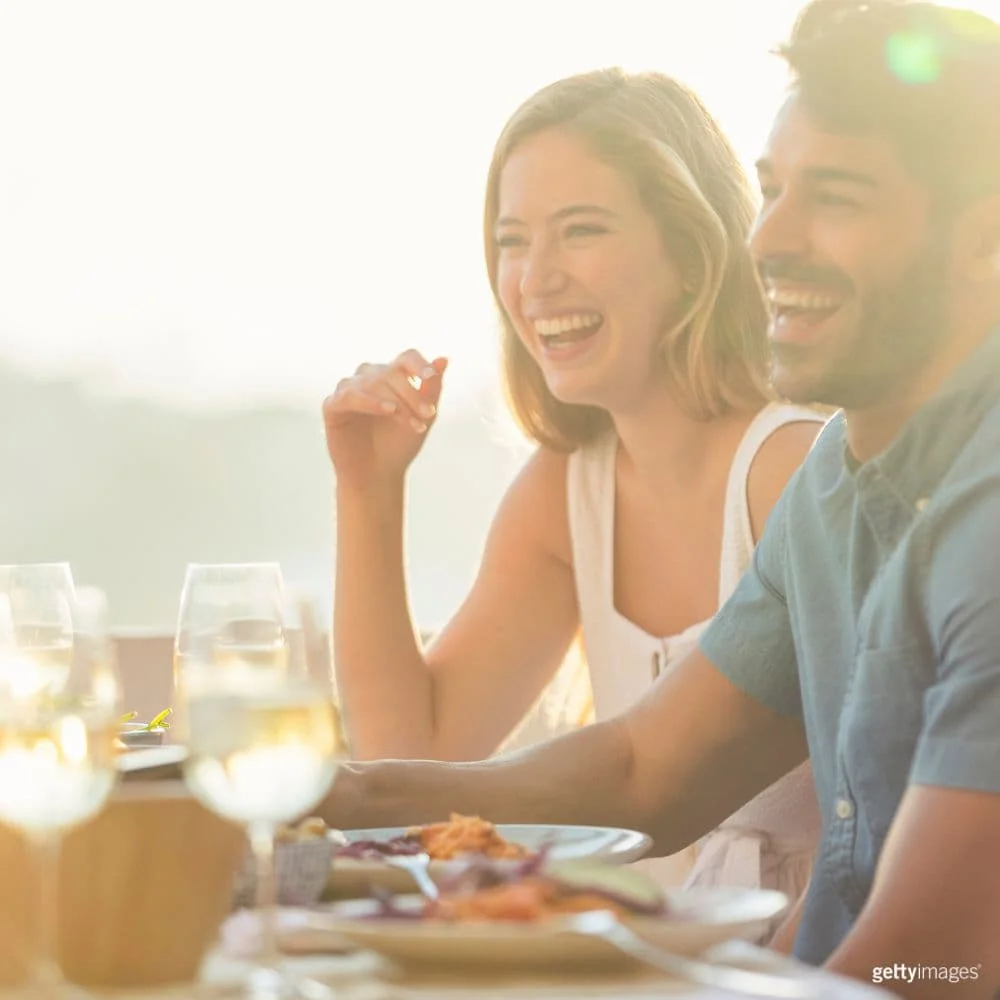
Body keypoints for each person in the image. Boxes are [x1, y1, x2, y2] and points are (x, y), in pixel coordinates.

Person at [320, 2, 1000, 994]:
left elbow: (930, 962)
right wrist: (331, 794)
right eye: (771, 192)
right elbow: (647, 770)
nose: (768, 238)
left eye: (838, 198)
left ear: (985, 242)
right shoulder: (836, 489)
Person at [322, 69, 824, 905]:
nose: (534, 278)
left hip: (816, 955)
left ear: (695, 256)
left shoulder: (791, 470)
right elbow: (418, 754)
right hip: (645, 953)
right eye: (513, 241)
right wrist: (368, 494)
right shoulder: (565, 497)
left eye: (580, 231)